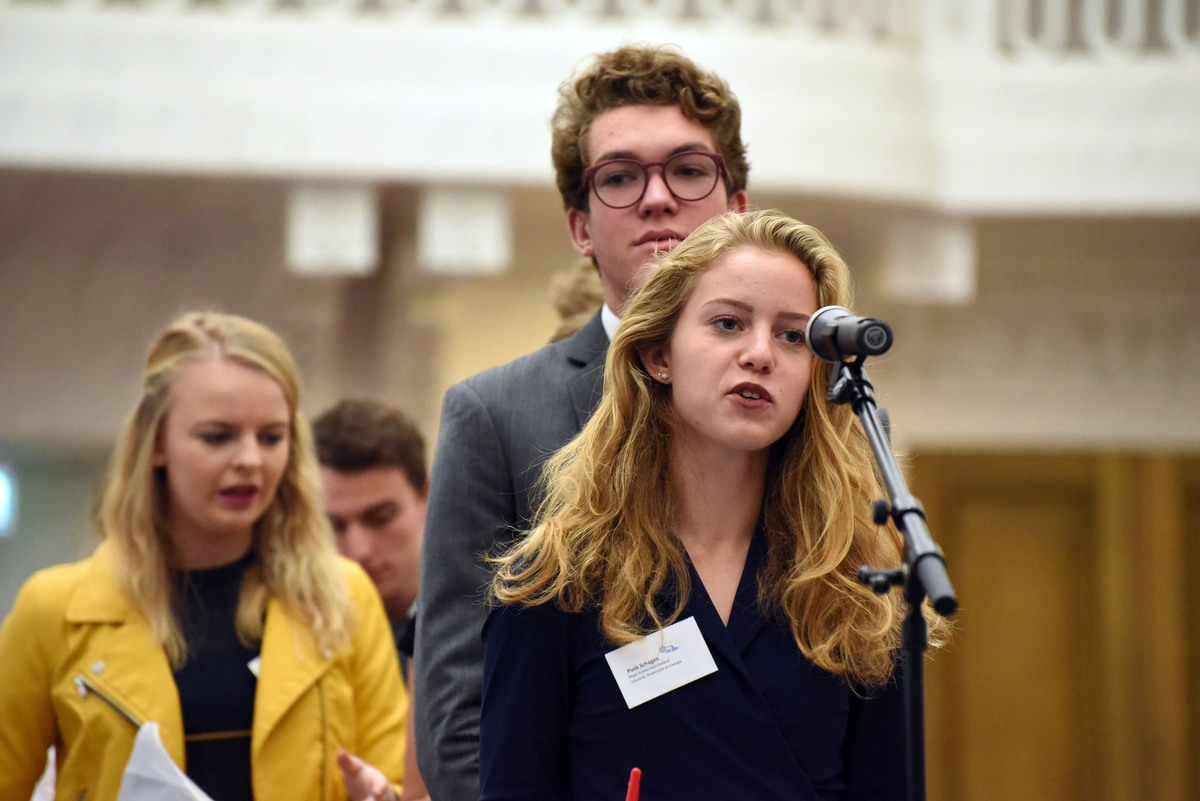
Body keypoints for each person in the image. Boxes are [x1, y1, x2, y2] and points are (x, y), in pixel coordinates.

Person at [479, 210, 952, 801]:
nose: (760, 354)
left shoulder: (857, 583)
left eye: (791, 335)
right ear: (659, 355)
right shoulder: (559, 580)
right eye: (728, 323)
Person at [414, 43, 750, 801]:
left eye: (689, 169)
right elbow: (458, 712)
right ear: (580, 226)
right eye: (622, 177)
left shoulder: (827, 409)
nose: (658, 199)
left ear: (736, 207)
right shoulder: (495, 418)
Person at [0, 311, 408, 801]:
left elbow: (396, 777)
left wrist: (382, 794)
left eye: (272, 437)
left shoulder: (343, 596)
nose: (250, 460)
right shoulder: (54, 611)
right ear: (157, 445)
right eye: (218, 436)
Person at [313, 397, 431, 801]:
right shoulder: (291, 638)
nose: (359, 549)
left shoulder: (485, 626)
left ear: (427, 495)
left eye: (380, 518)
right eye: (334, 525)